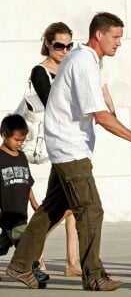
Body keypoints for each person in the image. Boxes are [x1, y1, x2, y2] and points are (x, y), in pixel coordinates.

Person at [6, 12, 131, 290]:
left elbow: (101, 104)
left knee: (51, 209)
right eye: (115, 37)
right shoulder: (82, 63)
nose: (119, 43)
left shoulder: (86, 61)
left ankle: (19, 266)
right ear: (99, 35)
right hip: (70, 149)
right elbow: (100, 115)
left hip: (67, 146)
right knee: (91, 209)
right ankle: (94, 276)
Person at [29, 22, 81, 277]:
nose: (64, 50)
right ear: (48, 43)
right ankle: (33, 250)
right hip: (55, 144)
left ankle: (72, 262)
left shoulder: (68, 67)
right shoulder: (41, 72)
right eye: (59, 45)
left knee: (69, 203)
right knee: (66, 204)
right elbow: (54, 105)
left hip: (71, 142)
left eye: (69, 45)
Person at [0, 114, 47, 282]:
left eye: (23, 141)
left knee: (3, 244)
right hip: (6, 212)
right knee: (25, 242)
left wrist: (34, 202)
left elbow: (27, 182)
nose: (20, 144)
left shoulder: (21, 157)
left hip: (21, 212)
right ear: (4, 135)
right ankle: (32, 271)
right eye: (17, 140)